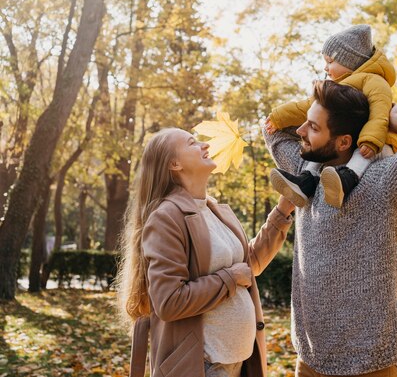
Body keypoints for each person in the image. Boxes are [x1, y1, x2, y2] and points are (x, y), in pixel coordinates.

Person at [263, 80, 397, 377]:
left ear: (343, 142)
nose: (301, 131)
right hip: (310, 358)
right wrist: (318, 104)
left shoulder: (384, 181)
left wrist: (391, 121)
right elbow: (272, 129)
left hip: (372, 361)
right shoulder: (304, 176)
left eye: (313, 127)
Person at [117, 127, 295, 377]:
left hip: (241, 361)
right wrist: (230, 279)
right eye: (192, 143)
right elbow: (169, 301)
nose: (205, 145)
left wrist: (283, 210)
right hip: (203, 365)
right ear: (174, 163)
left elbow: (249, 265)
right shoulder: (166, 217)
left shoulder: (214, 210)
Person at [265, 24, 397, 208]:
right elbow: (307, 107)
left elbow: (379, 113)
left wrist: (371, 139)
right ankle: (306, 182)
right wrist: (279, 117)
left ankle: (348, 178)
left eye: (330, 62)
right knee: (321, 146)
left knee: (361, 152)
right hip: (349, 139)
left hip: (377, 142)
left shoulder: (375, 82)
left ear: (350, 62)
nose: (326, 67)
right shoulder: (337, 87)